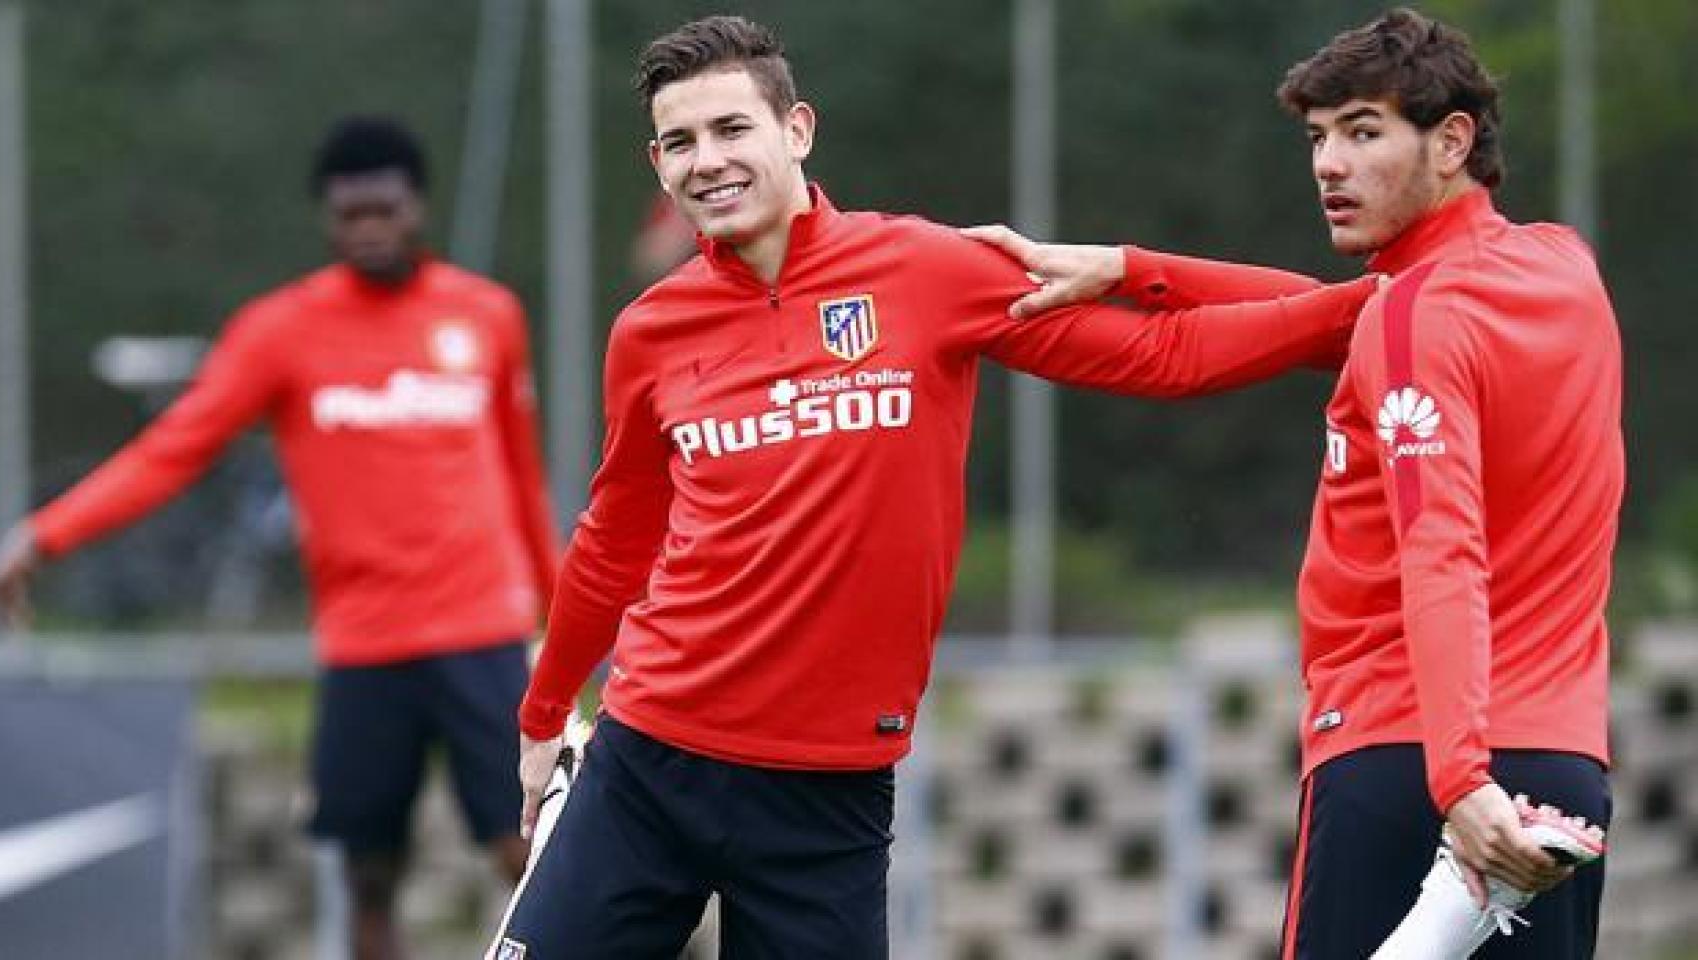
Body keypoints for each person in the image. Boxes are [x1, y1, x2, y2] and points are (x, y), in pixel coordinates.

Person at [487, 15, 1383, 960]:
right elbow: (614, 537)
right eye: (680, 142)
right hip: (648, 759)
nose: (707, 161)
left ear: (796, 130)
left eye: (731, 129)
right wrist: (543, 714)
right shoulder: (650, 331)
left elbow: (1166, 356)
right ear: (659, 166)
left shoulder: (924, 270)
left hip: (826, 790)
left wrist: (1375, 302)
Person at [970, 8, 1622, 959]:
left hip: (1418, 765)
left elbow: (1442, 548)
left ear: (1452, 142)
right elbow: (1277, 324)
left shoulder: (1413, 322)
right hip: (1561, 772)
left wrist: (1459, 782)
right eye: (1319, 139)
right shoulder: (1561, 265)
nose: (1328, 165)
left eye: (1363, 133)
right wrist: (1130, 268)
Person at [0, 117, 562, 960]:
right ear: (328, 219)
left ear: (417, 207)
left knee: (532, 859)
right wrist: (43, 536)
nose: (369, 228)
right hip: (365, 647)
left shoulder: (485, 316)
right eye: (349, 214)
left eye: (385, 209)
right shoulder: (281, 332)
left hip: (484, 636)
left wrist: (563, 625)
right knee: (369, 874)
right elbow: (171, 451)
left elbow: (521, 479)